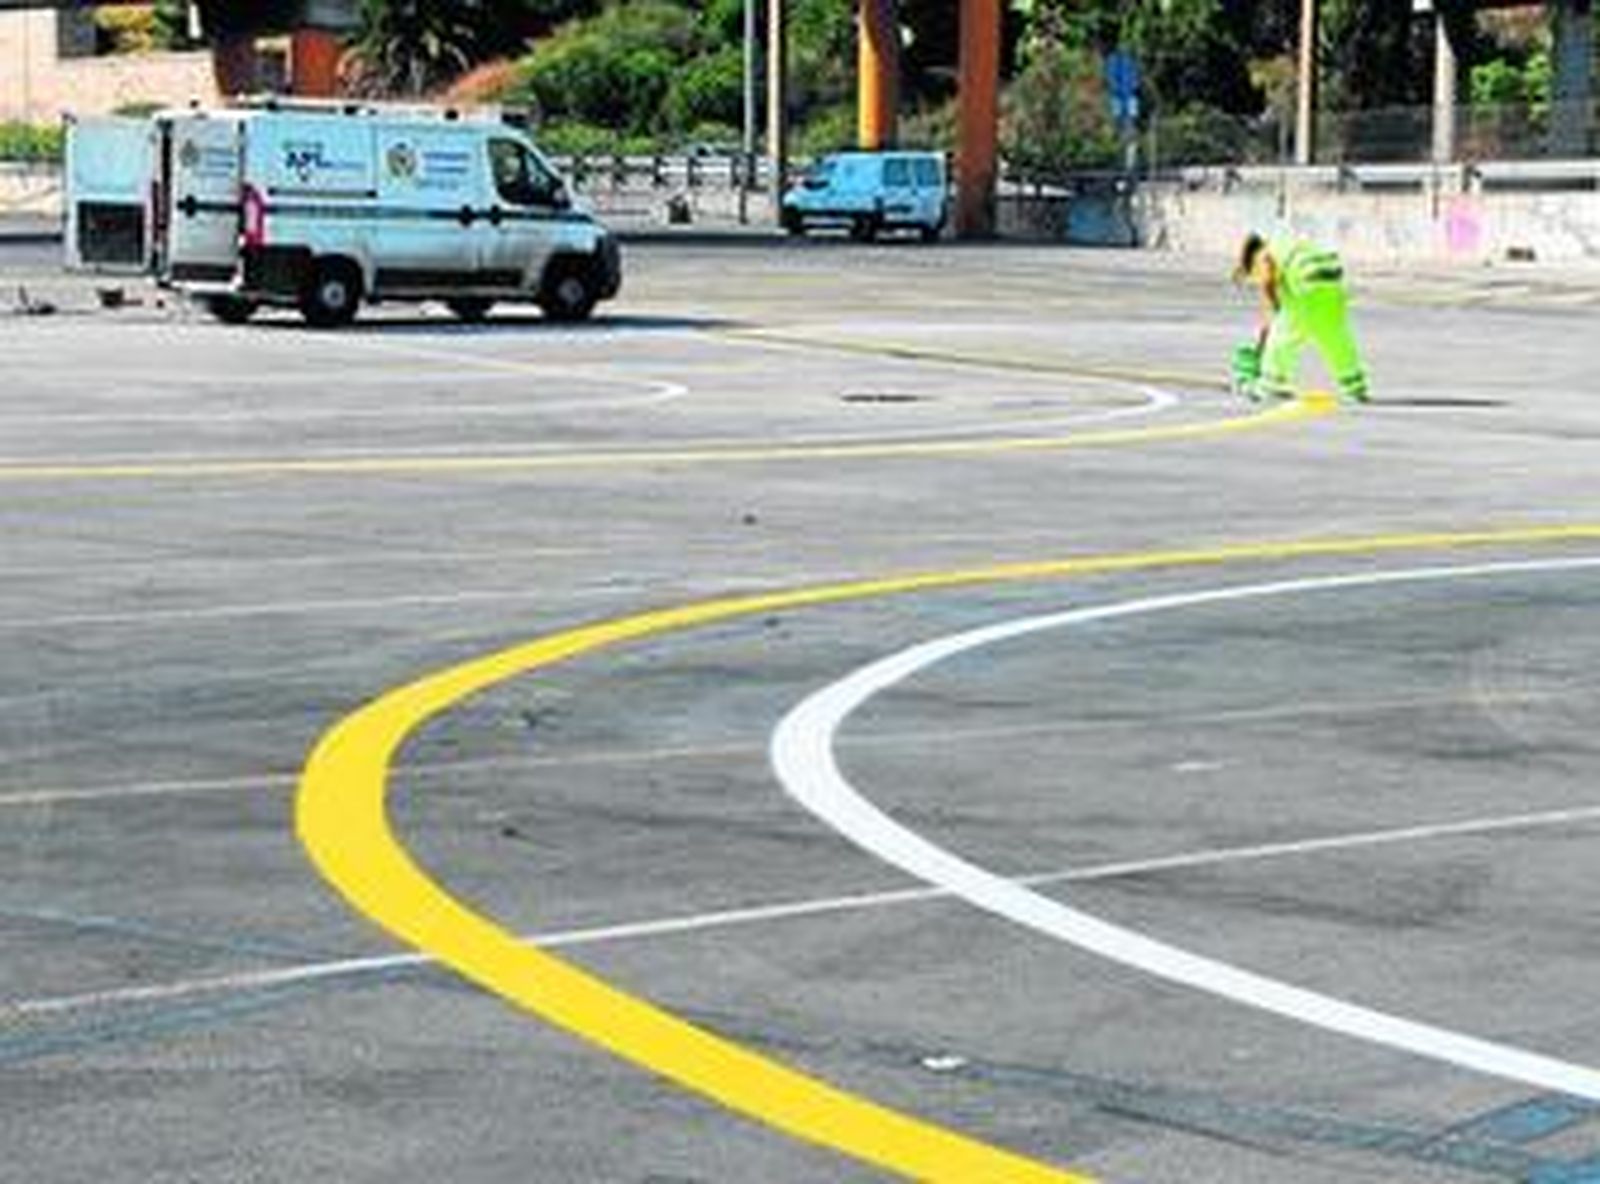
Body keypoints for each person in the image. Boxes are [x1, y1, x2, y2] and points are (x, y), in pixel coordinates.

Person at [1234, 231, 1370, 404]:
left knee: (1285, 335)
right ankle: (1354, 386)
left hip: (1306, 282)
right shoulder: (1286, 243)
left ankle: (1271, 383)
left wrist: (1275, 307)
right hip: (1331, 280)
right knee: (1335, 336)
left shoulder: (1262, 255)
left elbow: (1268, 279)